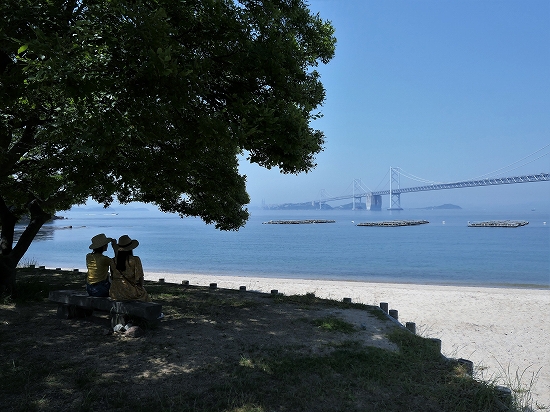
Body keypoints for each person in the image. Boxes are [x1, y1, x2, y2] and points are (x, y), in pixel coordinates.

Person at [109, 235, 150, 302]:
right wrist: (141, 287)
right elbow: (140, 277)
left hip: (115, 292)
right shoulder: (135, 260)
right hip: (129, 291)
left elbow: (113, 276)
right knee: (144, 295)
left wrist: (114, 246)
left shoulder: (113, 261)